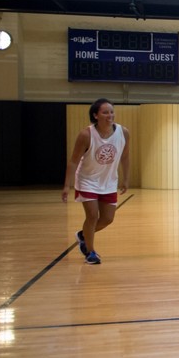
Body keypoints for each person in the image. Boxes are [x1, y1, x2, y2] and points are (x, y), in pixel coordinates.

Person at [62, 98, 130, 265]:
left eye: (111, 112)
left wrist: (126, 179)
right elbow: (73, 161)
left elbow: (125, 156)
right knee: (92, 216)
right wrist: (66, 185)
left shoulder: (123, 132)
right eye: (105, 112)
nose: (110, 115)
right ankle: (91, 252)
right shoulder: (86, 134)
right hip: (87, 180)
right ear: (95, 115)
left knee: (107, 219)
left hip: (108, 181)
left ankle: (83, 235)